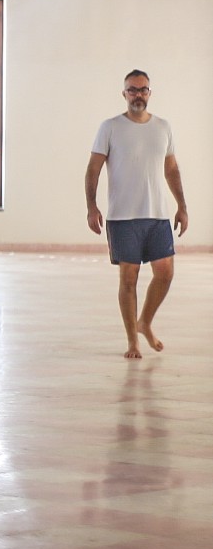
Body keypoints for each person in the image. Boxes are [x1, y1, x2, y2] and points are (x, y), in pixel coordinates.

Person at [85, 69, 188, 359]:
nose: (138, 95)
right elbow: (93, 168)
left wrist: (182, 206)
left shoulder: (163, 127)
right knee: (128, 279)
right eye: (132, 90)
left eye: (143, 90)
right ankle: (132, 340)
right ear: (124, 93)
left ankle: (145, 322)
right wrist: (92, 207)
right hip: (122, 217)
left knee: (165, 274)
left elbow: (172, 169)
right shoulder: (110, 127)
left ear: (150, 93)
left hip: (158, 215)